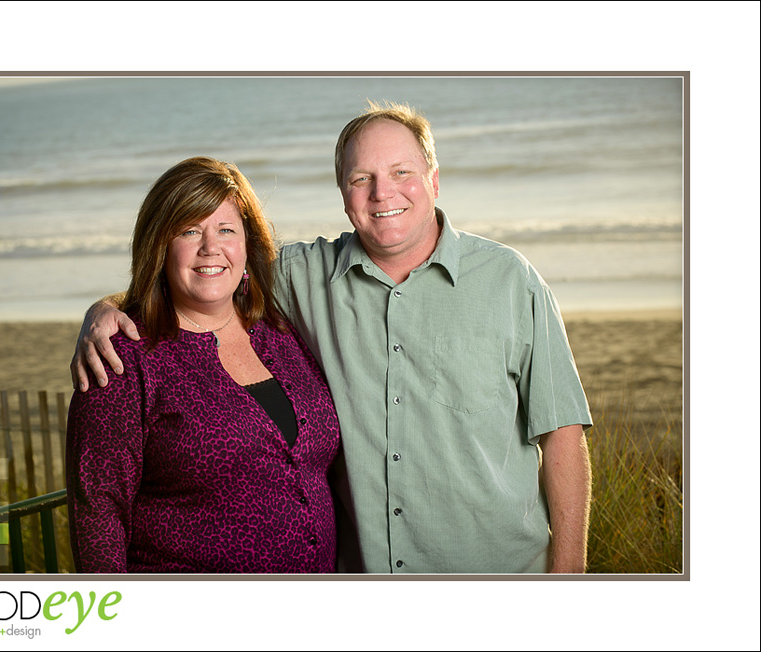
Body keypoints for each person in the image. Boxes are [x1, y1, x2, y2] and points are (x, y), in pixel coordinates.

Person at [72, 103, 593, 574]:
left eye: (401, 173)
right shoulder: (302, 277)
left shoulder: (510, 282)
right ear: (343, 193)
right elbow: (210, 274)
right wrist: (109, 309)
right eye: (361, 177)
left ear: (434, 179)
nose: (382, 193)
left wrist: (566, 583)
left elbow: (563, 434)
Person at [66, 156, 341, 573]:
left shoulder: (281, 331)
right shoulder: (123, 358)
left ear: (248, 246)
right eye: (189, 230)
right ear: (160, 246)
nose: (211, 247)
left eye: (226, 230)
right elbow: (98, 513)